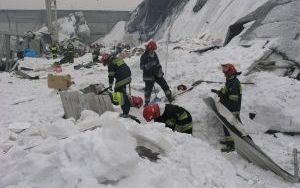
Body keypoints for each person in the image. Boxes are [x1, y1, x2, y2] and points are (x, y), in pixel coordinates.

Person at [211, 63, 242, 152]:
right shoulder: (230, 81)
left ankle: (232, 146)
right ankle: (229, 142)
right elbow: (226, 92)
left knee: (230, 126)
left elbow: (233, 98)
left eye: (225, 70)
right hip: (228, 108)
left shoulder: (234, 82)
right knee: (226, 125)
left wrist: (225, 107)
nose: (223, 72)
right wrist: (219, 92)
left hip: (232, 109)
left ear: (230, 71)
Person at [140, 40, 173, 106]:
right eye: (151, 49)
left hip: (157, 74)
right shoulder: (144, 56)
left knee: (164, 85)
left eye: (154, 49)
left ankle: (170, 97)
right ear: (148, 48)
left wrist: (160, 71)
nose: (153, 51)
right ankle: (146, 103)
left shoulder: (155, 54)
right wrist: (147, 66)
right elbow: (141, 67)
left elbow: (158, 64)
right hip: (148, 76)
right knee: (148, 90)